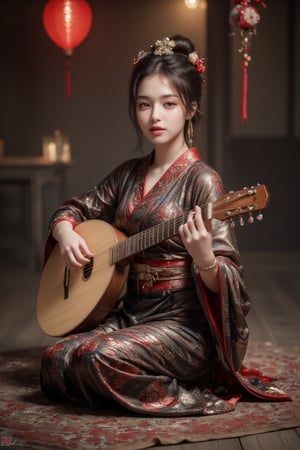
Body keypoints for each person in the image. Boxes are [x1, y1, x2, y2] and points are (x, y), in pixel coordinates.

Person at [40, 35, 290, 416]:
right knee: (55, 360)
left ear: (190, 108)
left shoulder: (203, 181)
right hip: (131, 313)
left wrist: (206, 259)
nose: (154, 116)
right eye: (144, 105)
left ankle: (187, 389)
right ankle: (128, 380)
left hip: (183, 327)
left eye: (168, 104)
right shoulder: (127, 175)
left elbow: (232, 280)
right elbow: (76, 207)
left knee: (93, 357)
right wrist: (64, 230)